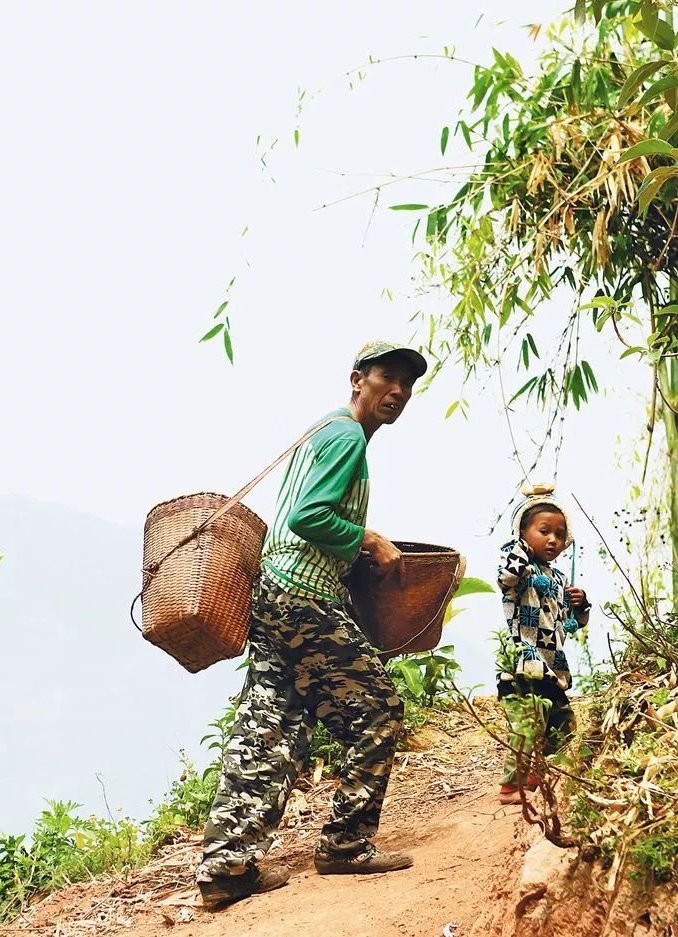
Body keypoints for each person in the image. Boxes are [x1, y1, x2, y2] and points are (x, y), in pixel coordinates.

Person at [196, 340, 426, 912]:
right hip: (304, 597)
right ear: (357, 380)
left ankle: (226, 867)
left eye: (407, 384)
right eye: (387, 379)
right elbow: (308, 517)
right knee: (378, 709)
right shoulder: (348, 436)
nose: (398, 391)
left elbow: (300, 514)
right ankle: (346, 844)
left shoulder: (320, 430)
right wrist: (368, 538)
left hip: (271, 592)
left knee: (269, 723)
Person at [495, 487, 591, 805]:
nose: (553, 540)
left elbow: (570, 625)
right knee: (527, 723)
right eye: (544, 531)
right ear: (522, 534)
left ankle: (541, 771)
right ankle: (513, 786)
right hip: (524, 662)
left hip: (551, 667)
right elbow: (506, 577)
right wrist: (519, 545)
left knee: (563, 723)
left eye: (560, 534)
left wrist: (581, 607)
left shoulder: (561, 579)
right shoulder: (518, 568)